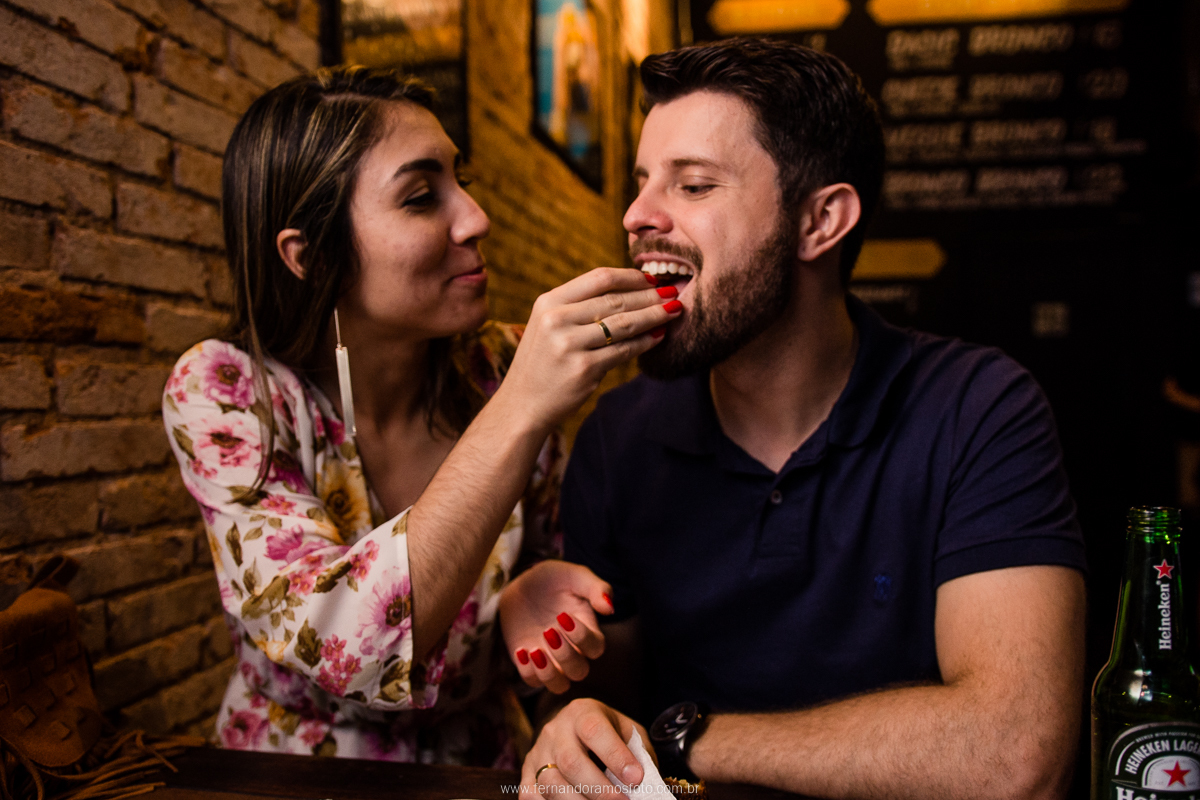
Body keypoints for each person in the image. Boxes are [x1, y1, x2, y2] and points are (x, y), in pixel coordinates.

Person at [508, 39, 1089, 799]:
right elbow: (605, 719)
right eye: (643, 182)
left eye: (693, 185)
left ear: (821, 222)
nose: (637, 216)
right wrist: (564, 703)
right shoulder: (618, 437)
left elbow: (1017, 755)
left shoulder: (980, 409)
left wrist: (685, 738)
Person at [161, 66, 683, 767]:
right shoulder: (228, 392)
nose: (475, 219)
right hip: (297, 777)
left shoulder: (493, 365)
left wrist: (527, 593)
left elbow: (543, 572)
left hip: (484, 765)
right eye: (419, 197)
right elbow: (349, 644)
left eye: (460, 181)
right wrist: (524, 405)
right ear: (312, 258)